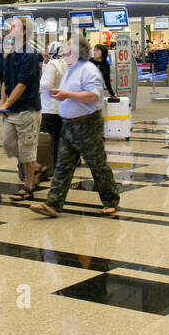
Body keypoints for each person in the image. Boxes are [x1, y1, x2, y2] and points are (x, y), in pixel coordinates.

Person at [30, 33, 120, 218]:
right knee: (63, 165)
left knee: (97, 164)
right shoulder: (71, 69)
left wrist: (67, 95)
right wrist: (61, 94)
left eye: (68, 48)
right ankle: (53, 204)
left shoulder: (89, 69)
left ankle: (111, 201)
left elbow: (93, 96)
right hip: (69, 125)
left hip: (87, 124)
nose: (65, 50)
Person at [0, 17, 43, 202]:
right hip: (12, 111)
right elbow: (6, 82)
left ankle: (28, 187)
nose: (10, 29)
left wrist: (7, 104)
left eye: (14, 27)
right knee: (8, 144)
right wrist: (3, 103)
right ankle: (36, 166)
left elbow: (22, 83)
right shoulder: (10, 54)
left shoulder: (30, 55)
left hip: (28, 110)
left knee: (27, 150)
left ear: (23, 32)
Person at [39, 41, 66, 168]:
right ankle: (57, 164)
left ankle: (46, 165)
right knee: (58, 138)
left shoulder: (53, 64)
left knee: (45, 138)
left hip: (49, 108)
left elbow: (45, 84)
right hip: (61, 108)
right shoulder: (64, 63)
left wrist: (37, 87)